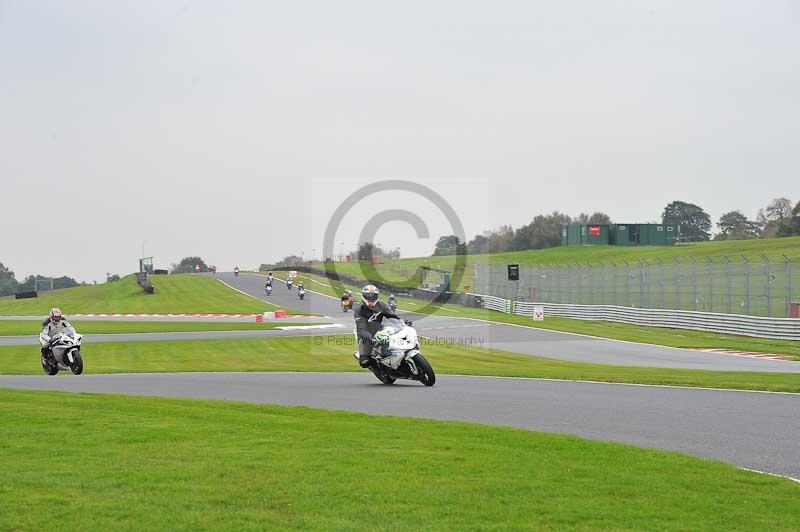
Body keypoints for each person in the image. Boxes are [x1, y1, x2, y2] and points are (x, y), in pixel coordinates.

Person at [354, 285, 399, 368]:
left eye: (374, 296)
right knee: (364, 362)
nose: (371, 298)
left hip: (380, 330)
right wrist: (369, 338)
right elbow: (361, 328)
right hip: (365, 336)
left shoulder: (381, 305)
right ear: (364, 296)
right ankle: (377, 367)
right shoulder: (359, 310)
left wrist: (401, 321)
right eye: (368, 296)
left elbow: (392, 316)